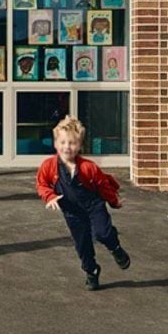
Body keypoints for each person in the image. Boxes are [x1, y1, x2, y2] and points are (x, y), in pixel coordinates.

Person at [36, 116, 130, 291]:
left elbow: (104, 186)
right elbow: (41, 184)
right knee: (82, 244)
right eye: (63, 142)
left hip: (93, 206)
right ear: (55, 144)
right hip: (72, 212)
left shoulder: (89, 167)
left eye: (72, 143)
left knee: (102, 233)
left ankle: (115, 247)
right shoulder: (49, 166)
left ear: (79, 146)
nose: (67, 147)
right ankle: (92, 271)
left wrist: (114, 201)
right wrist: (49, 196)